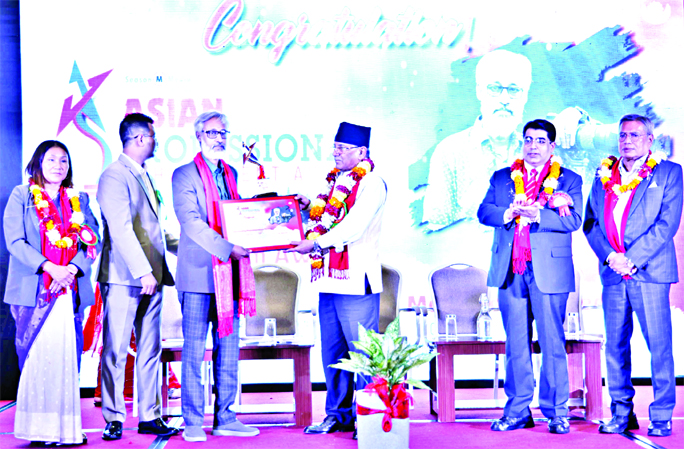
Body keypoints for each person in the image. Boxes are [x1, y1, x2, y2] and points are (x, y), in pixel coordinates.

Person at [423, 49, 613, 230]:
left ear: (525, 96)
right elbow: (437, 228)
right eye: (494, 88)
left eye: (514, 90)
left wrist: (578, 117)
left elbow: (604, 160)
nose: (505, 99)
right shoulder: (450, 151)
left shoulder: (542, 148)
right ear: (479, 91)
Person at [477, 119, 583, 434]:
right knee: (516, 343)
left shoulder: (569, 179)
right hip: (510, 270)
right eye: (528, 139)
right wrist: (508, 213)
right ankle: (517, 410)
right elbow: (484, 212)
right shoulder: (502, 177)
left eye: (540, 140)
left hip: (549, 271)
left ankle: (557, 412)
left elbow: (574, 221)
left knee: (552, 342)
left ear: (552, 146)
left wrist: (540, 214)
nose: (533, 146)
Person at [584, 114, 681, 438]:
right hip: (613, 272)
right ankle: (621, 413)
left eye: (635, 135)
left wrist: (632, 259)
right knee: (615, 347)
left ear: (650, 140)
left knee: (659, 346)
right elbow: (590, 223)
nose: (627, 141)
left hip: (649, 272)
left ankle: (662, 415)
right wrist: (611, 257)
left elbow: (666, 224)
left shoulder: (668, 172)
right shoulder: (603, 174)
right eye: (623, 135)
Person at [288, 122, 387, 438]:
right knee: (333, 354)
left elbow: (353, 227)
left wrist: (316, 244)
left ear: (362, 152)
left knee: (363, 354)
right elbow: (325, 220)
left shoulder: (372, 183)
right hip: (329, 280)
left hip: (357, 280)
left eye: (343, 148)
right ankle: (337, 415)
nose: (336, 152)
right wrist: (307, 209)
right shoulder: (333, 182)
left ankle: (369, 418)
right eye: (335, 146)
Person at [3, 140, 100, 445]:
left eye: (64, 161)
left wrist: (70, 269)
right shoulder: (22, 196)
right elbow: (15, 241)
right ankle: (37, 430)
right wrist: (49, 267)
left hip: (68, 289)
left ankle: (64, 430)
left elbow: (93, 240)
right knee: (38, 358)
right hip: (34, 290)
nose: (58, 166)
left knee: (64, 358)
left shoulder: (79, 199)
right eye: (51, 160)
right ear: (38, 163)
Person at [171, 111, 259, 442]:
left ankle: (226, 418)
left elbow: (244, 215)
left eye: (223, 133)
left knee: (229, 350)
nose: (219, 138)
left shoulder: (233, 173)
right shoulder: (184, 174)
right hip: (198, 276)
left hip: (229, 277)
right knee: (194, 352)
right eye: (212, 133)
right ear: (198, 136)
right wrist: (227, 248)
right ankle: (193, 422)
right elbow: (191, 222)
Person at [97, 113, 179, 440]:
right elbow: (120, 229)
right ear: (140, 138)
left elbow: (155, 230)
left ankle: (150, 415)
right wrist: (142, 270)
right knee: (116, 350)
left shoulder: (144, 174)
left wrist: (192, 247)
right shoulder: (114, 176)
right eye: (153, 136)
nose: (156, 142)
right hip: (125, 276)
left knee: (150, 349)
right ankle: (114, 417)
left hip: (153, 276)